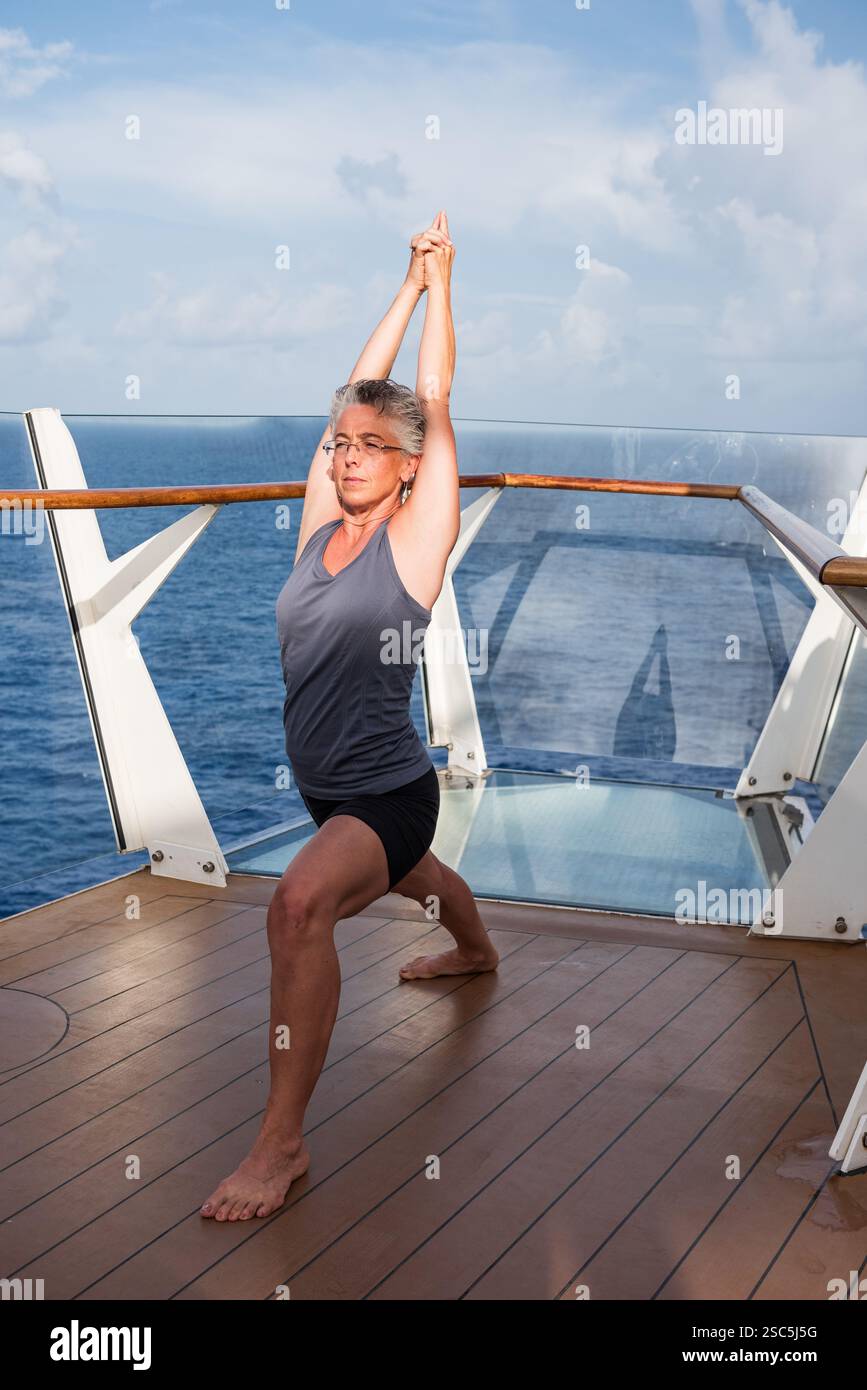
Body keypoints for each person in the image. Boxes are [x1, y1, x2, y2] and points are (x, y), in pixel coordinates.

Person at [201, 211, 499, 1222]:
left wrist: (445, 285)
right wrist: (402, 284)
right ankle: (477, 949)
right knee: (420, 883)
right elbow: (353, 392)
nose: (351, 454)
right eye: (341, 444)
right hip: (329, 785)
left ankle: (280, 1146)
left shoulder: (414, 543)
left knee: (299, 906)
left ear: (411, 465)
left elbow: (436, 395)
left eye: (377, 446)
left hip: (387, 791)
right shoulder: (321, 523)